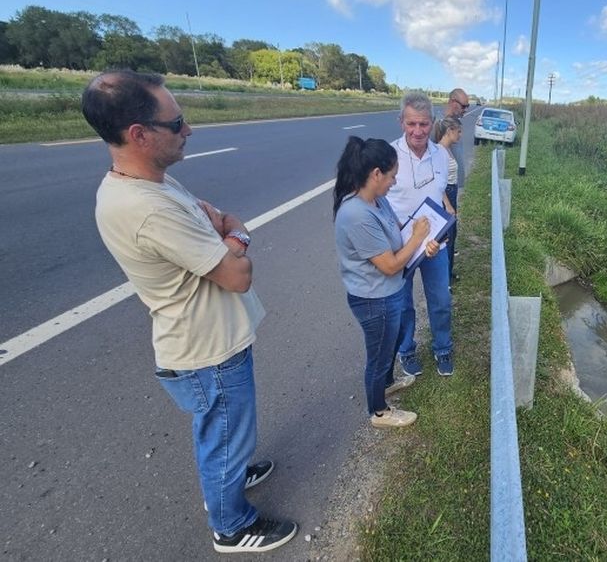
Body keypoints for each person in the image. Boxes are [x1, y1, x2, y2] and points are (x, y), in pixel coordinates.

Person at [82, 70, 296, 554]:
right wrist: (237, 238)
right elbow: (237, 272)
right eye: (176, 122)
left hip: (209, 339)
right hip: (207, 349)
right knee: (225, 436)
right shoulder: (146, 208)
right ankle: (232, 524)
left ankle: (231, 474)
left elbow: (214, 216)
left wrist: (227, 235)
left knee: (224, 434)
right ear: (138, 134)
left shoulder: (154, 182)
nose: (188, 130)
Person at [333, 136, 439, 427]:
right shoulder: (356, 214)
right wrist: (417, 238)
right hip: (374, 299)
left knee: (390, 343)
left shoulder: (378, 202)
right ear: (376, 174)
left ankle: (387, 383)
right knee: (378, 355)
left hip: (389, 293)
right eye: (392, 176)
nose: (394, 182)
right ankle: (379, 411)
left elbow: (398, 235)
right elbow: (390, 265)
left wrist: (423, 240)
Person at [386, 92, 455, 377]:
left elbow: (442, 193)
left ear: (432, 123)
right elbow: (374, 201)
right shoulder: (389, 156)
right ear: (401, 121)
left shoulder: (441, 154)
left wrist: (447, 221)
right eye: (412, 123)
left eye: (424, 124)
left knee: (441, 300)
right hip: (400, 245)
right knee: (403, 305)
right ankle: (407, 350)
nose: (418, 131)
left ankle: (443, 348)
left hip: (434, 244)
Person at [432, 116, 463, 283]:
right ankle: (444, 279)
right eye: (458, 131)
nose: (460, 135)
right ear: (449, 131)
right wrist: (448, 205)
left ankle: (448, 274)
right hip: (446, 198)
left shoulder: (448, 149)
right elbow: (439, 183)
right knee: (447, 239)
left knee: (453, 236)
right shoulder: (439, 151)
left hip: (452, 193)